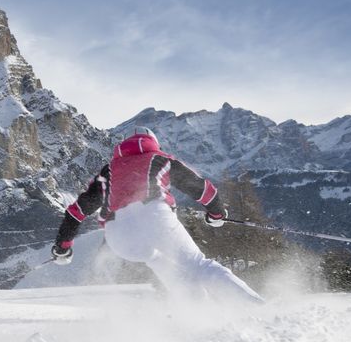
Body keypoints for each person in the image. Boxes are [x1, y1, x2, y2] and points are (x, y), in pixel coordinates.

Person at [51, 126, 264, 303]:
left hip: (117, 234)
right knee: (197, 264)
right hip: (153, 214)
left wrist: (63, 247)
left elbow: (76, 212)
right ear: (153, 142)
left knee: (160, 262)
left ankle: (201, 315)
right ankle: (254, 306)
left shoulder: (108, 170)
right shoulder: (160, 159)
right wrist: (216, 213)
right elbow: (201, 188)